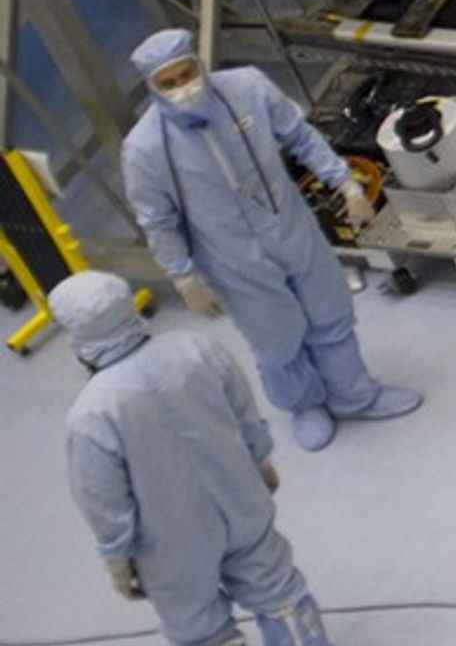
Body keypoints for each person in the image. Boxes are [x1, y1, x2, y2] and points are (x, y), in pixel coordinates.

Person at [55, 269, 350, 646]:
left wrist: (116, 559)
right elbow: (243, 411)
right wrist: (259, 459)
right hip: (242, 503)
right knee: (280, 594)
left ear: (77, 337)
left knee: (200, 630)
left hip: (169, 544)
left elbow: (102, 499)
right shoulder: (195, 350)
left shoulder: (92, 415)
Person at [119, 29, 421, 452]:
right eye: (168, 83)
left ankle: (356, 396)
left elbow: (300, 137)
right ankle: (305, 405)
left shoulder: (247, 88)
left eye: (186, 74)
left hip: (292, 230)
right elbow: (158, 220)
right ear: (152, 88)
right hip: (232, 257)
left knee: (330, 312)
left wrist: (346, 185)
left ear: (198, 63)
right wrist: (183, 276)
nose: (182, 87)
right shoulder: (146, 148)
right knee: (276, 338)